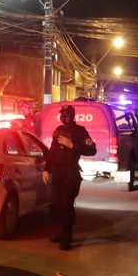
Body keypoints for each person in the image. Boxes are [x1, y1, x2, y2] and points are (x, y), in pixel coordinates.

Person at [43, 104, 97, 251]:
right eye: (62, 114)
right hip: (58, 173)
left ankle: (67, 236)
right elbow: (52, 151)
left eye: (66, 114)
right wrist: (46, 169)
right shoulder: (58, 130)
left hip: (70, 173)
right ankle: (63, 232)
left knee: (66, 205)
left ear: (72, 116)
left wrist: (71, 145)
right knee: (56, 205)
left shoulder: (80, 131)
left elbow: (92, 150)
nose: (63, 117)